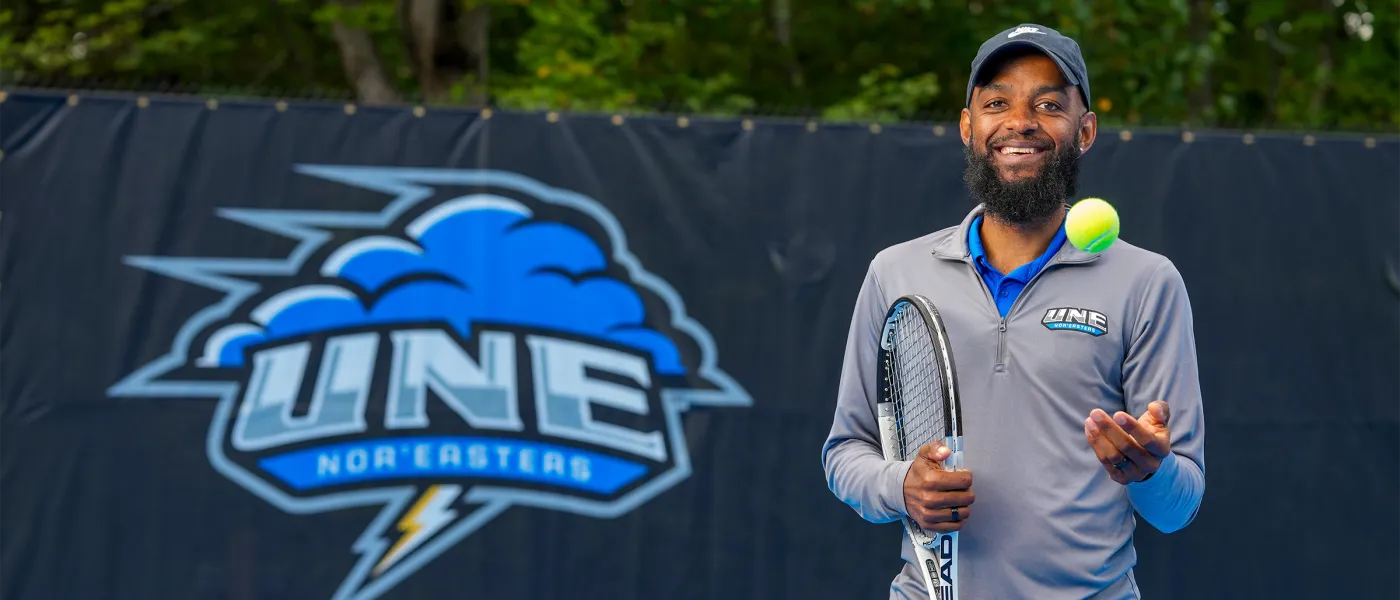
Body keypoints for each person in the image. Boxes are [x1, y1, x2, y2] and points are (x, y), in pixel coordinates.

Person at [820, 23, 1206, 600]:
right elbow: (845, 453)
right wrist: (902, 484)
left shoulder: (1148, 282)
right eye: (997, 102)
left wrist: (1149, 471)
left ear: (1086, 130)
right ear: (968, 126)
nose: (1019, 121)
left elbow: (1179, 507)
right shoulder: (895, 272)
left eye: (1049, 104)